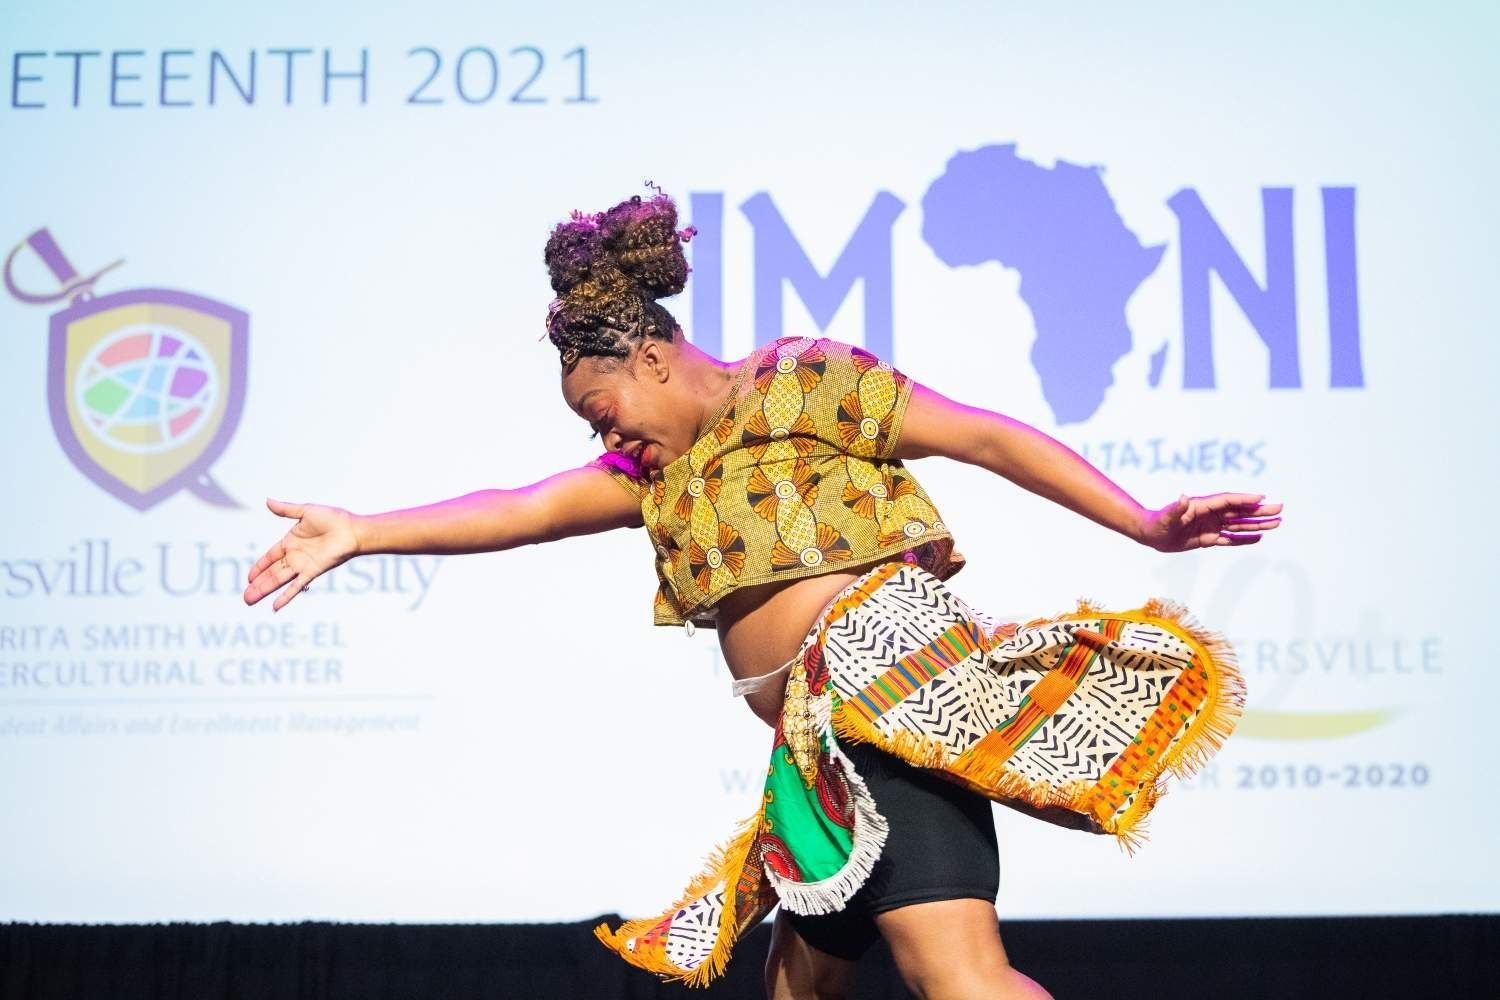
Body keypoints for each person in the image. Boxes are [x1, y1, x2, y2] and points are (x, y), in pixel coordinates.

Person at [244, 183, 1281, 1000]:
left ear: (652, 356)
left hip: (891, 707)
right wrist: (365, 531)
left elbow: (986, 435)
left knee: (954, 975)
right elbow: (521, 508)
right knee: (806, 984)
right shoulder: (664, 474)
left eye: (603, 409)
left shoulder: (797, 384)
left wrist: (1143, 521)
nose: (603, 436)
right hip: (815, 747)